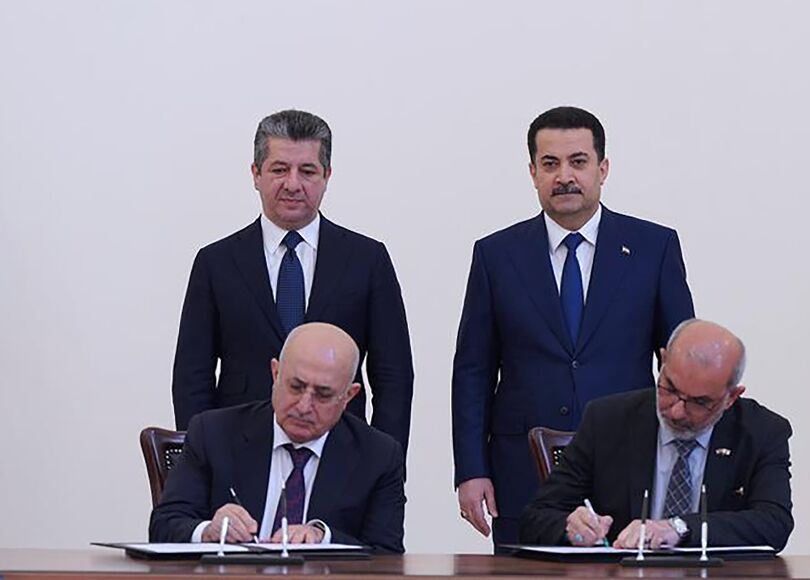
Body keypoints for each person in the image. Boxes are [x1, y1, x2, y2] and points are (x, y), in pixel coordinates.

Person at [452, 106, 695, 546]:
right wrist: (471, 469)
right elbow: (473, 370)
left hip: (627, 463)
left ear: (602, 168)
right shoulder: (496, 255)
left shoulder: (652, 248)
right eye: (550, 164)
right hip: (521, 471)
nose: (564, 175)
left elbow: (681, 360)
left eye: (578, 162)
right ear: (532, 172)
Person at [171, 109, 414, 454]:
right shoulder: (216, 263)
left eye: (308, 171)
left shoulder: (367, 260)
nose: (293, 184)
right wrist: (203, 461)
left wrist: (385, 466)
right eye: (279, 169)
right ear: (256, 174)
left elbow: (394, 377)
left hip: (342, 456)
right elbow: (191, 377)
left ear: (327, 175)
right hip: (238, 452)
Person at [519, 319, 793, 552]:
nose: (676, 411)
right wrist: (570, 528)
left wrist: (680, 528)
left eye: (698, 402)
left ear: (731, 397)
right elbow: (536, 518)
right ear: (663, 361)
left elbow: (774, 523)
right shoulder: (607, 420)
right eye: (669, 388)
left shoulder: (762, 433)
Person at [151, 323, 405, 553]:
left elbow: (387, 553)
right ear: (275, 374)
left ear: (348, 396)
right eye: (295, 387)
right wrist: (207, 530)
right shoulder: (214, 432)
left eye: (323, 395)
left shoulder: (379, 456)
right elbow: (164, 526)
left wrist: (323, 537)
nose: (304, 406)